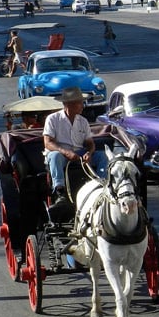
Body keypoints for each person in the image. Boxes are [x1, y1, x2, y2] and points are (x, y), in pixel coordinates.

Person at [43, 87, 108, 222]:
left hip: (79, 153)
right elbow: (48, 143)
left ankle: (102, 185)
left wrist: (89, 153)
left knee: (103, 156)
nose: (82, 106)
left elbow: (90, 144)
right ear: (68, 104)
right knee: (54, 156)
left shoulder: (83, 121)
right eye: (79, 103)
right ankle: (60, 191)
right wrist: (66, 152)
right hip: (60, 153)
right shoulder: (53, 119)